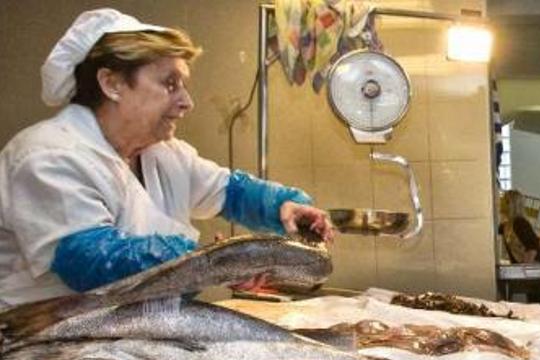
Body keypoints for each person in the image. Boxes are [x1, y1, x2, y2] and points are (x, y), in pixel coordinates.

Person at [0, 9, 333, 308]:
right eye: (170, 84)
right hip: (41, 348)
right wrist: (217, 262)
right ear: (112, 83)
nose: (187, 102)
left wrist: (281, 207)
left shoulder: (163, 152)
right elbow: (94, 264)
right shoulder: (47, 156)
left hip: (123, 337)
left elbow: (231, 190)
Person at [498, 189, 540, 263]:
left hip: (525, 269)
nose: (500, 203)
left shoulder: (520, 223)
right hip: (516, 266)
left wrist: (522, 269)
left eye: (504, 201)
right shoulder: (506, 224)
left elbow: (533, 246)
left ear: (511, 204)